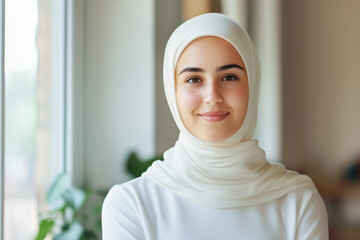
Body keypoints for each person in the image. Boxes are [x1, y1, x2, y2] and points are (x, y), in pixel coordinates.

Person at [102, 13, 328, 240]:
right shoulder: (133, 205)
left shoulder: (298, 201)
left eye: (229, 77)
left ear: (253, 84)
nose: (212, 96)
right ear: (172, 91)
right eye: (193, 79)